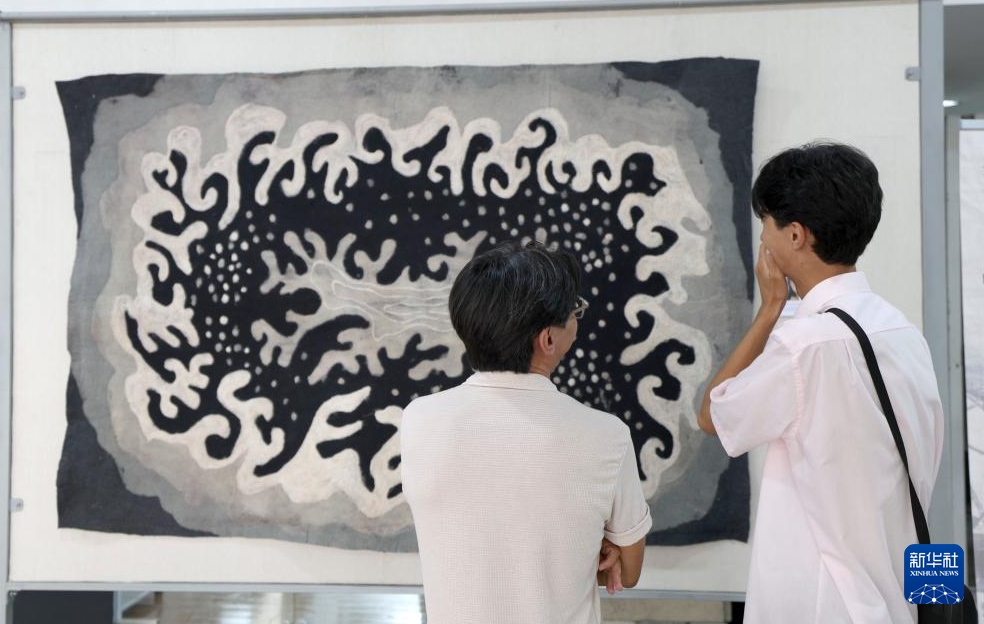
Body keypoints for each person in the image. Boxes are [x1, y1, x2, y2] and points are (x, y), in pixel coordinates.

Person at [697, 142, 944, 622]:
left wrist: (770, 310)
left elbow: (712, 415)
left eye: (766, 225)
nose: (763, 239)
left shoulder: (803, 346)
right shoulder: (902, 332)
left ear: (795, 235)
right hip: (899, 599)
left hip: (824, 602)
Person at [401, 241, 651, 624]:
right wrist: (590, 548)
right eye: (574, 312)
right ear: (548, 340)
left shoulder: (419, 420)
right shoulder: (606, 436)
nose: (577, 319)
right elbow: (627, 573)